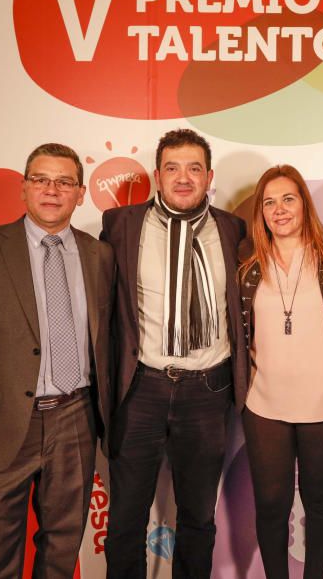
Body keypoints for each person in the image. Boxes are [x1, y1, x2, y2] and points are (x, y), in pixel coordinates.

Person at [0, 143, 115, 577]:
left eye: (64, 182)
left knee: (61, 550)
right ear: (24, 188)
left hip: (76, 418)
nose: (51, 190)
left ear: (80, 192)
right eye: (40, 179)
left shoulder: (99, 255)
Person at [100, 128, 247, 579]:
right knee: (125, 519)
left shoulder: (232, 228)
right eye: (172, 168)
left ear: (209, 177)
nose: (183, 178)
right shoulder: (120, 225)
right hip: (141, 386)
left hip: (207, 389)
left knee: (198, 519)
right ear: (157, 177)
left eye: (194, 168)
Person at [238, 165, 323, 579]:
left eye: (288, 199)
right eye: (268, 202)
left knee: (321, 505)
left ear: (304, 203)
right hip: (264, 404)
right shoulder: (246, 259)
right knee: (271, 505)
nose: (279, 209)